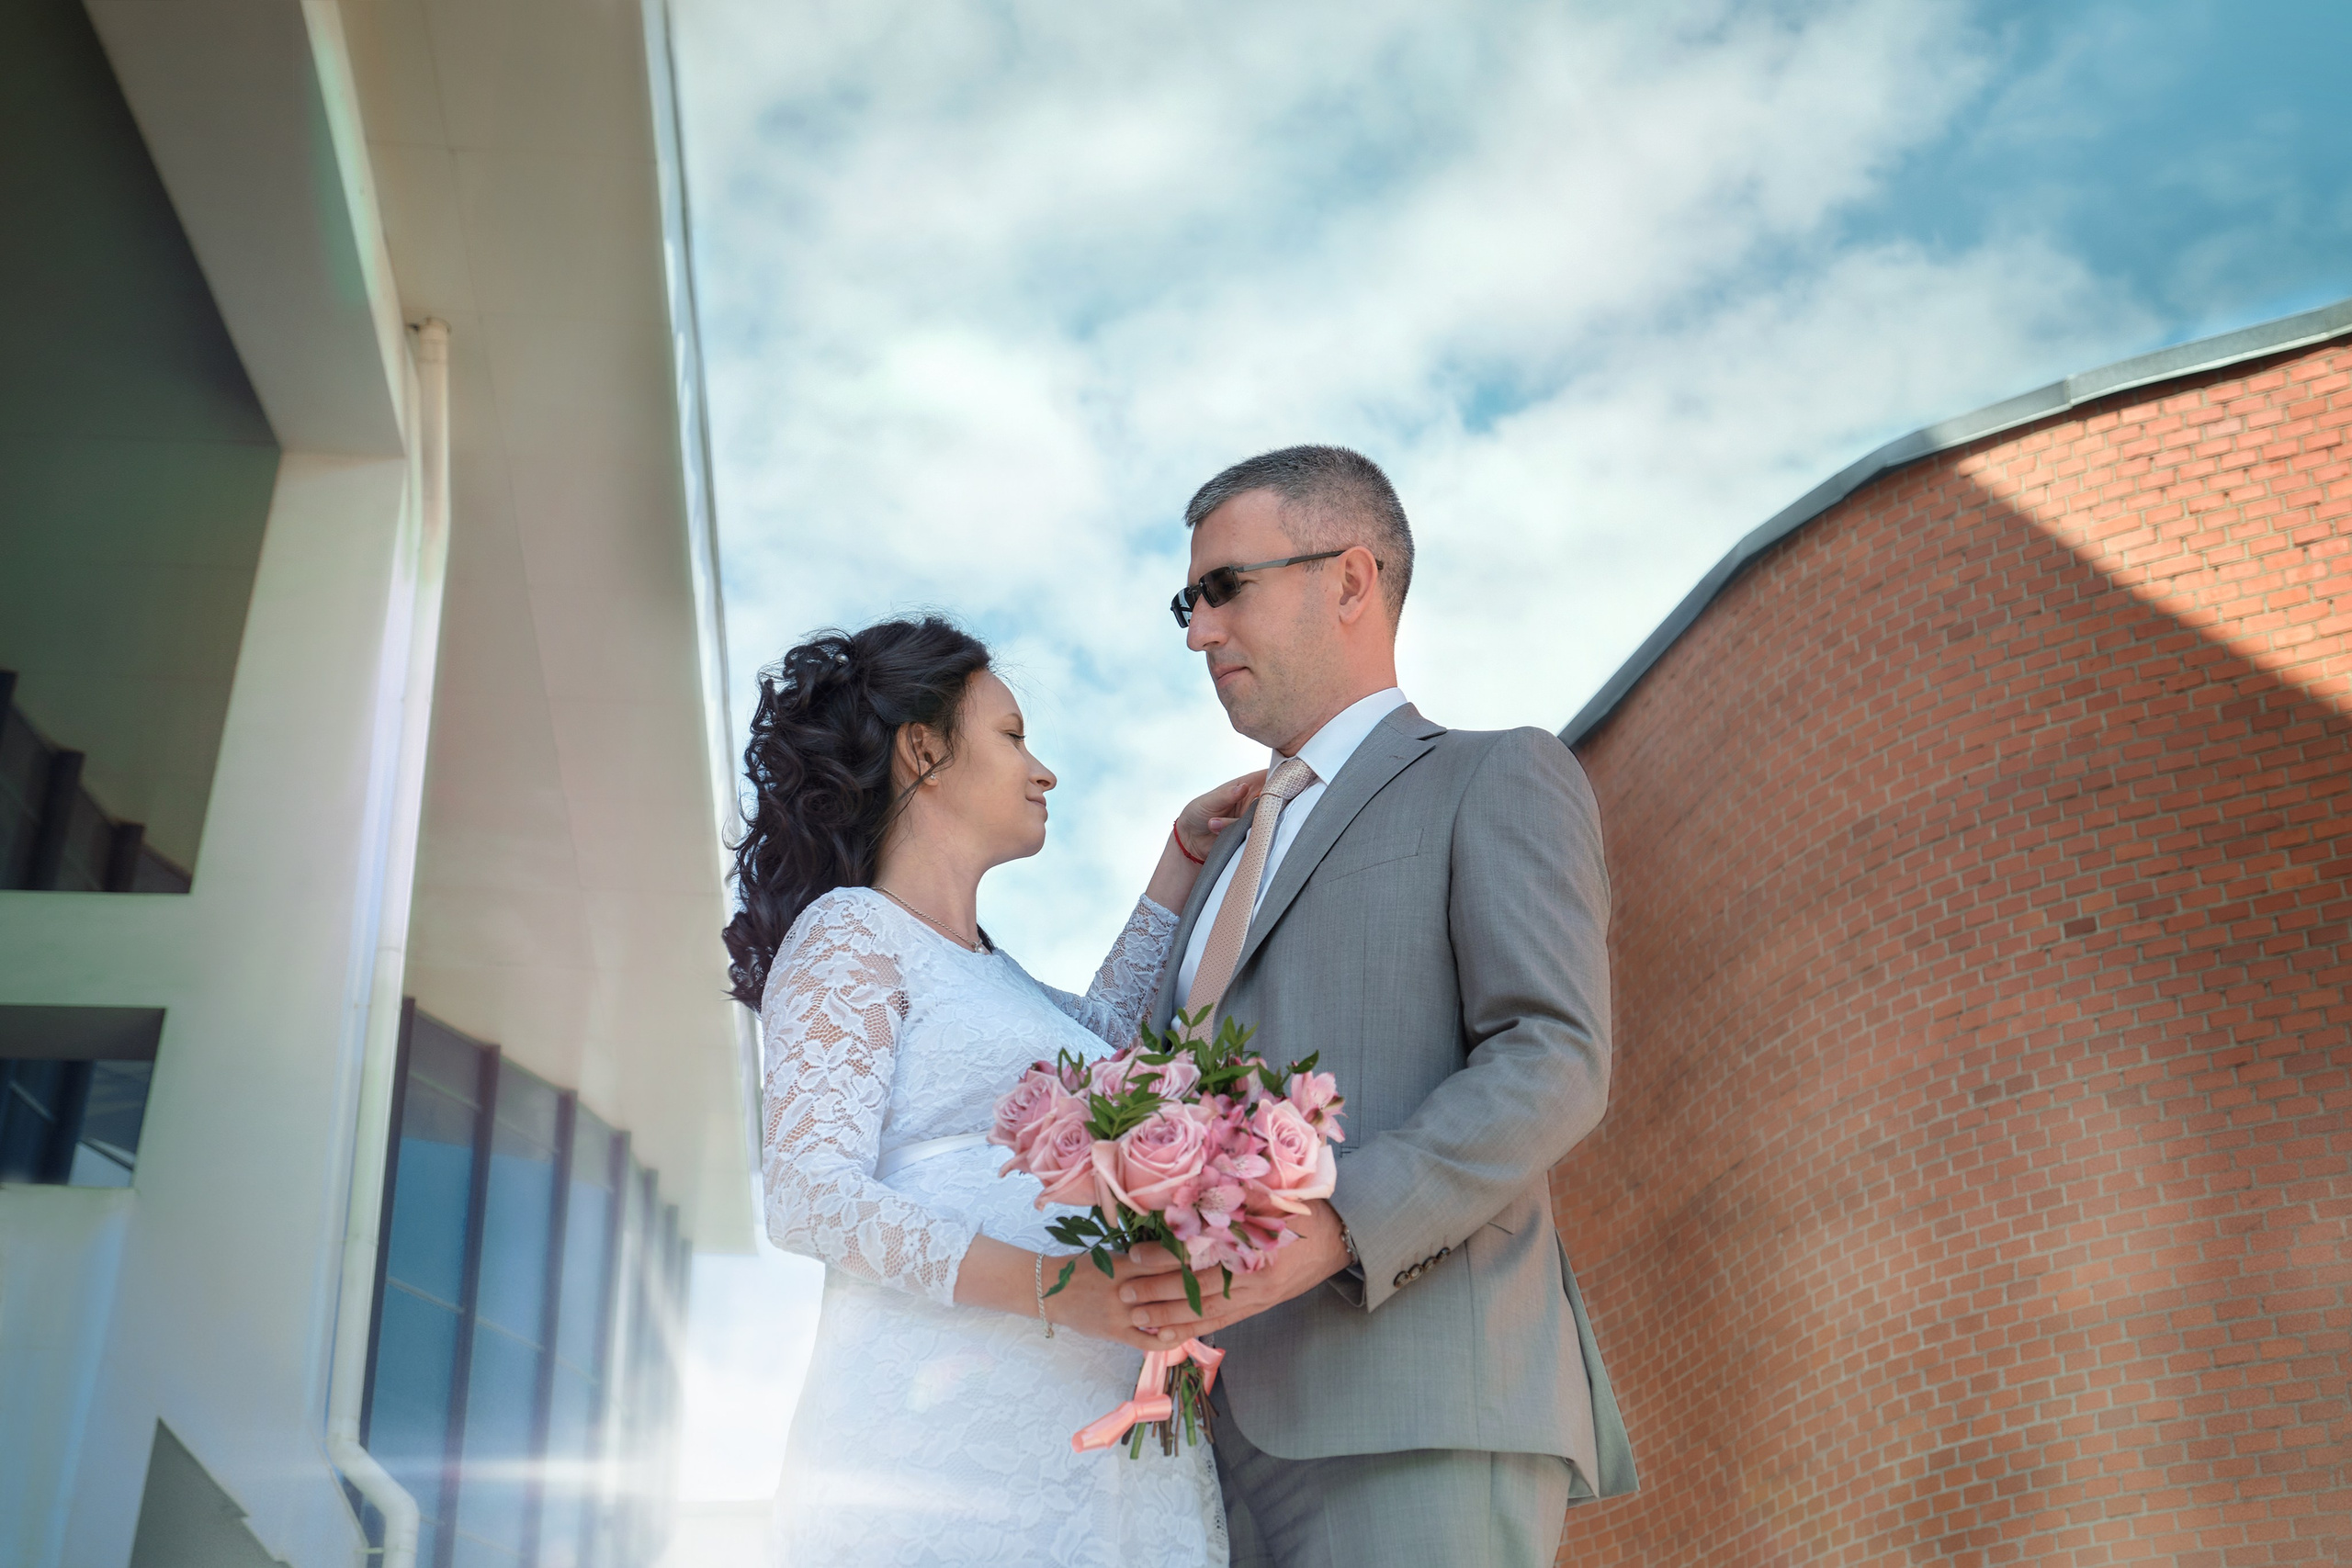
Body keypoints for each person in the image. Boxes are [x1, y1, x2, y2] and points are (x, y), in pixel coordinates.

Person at [1117, 446, 1638, 1567]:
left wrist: (1339, 1224)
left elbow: (1552, 1056)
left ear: (1351, 579)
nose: (1200, 632)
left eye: (1225, 589)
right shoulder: (1209, 863)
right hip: (1208, 1451)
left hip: (1419, 1411)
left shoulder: (1495, 776)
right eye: (1187, 603)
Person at [729, 615, 1261, 1565]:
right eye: (1012, 735)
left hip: (1092, 1434)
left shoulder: (998, 977)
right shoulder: (852, 933)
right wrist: (1065, 1287)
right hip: (946, 1442)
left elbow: (1101, 1045)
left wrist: (1180, 859)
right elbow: (810, 1197)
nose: (1042, 769)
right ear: (923, 750)